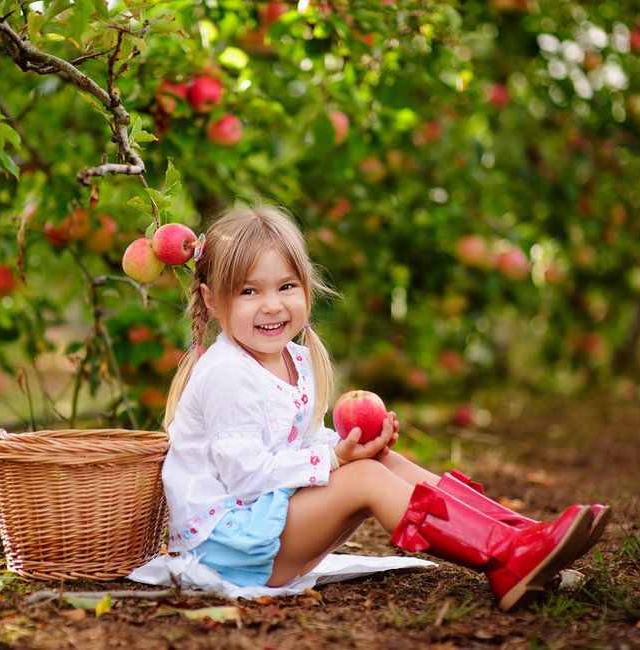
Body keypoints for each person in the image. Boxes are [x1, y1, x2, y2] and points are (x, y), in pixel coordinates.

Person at [161, 203, 610, 611]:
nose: (272, 305)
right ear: (212, 300)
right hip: (227, 549)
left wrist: (352, 445)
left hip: (264, 530)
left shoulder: (293, 358)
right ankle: (504, 556)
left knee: (378, 459)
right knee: (365, 476)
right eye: (249, 292)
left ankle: (521, 536)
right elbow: (245, 476)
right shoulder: (226, 372)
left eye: (285, 286)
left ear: (305, 286)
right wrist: (337, 459)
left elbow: (300, 440)